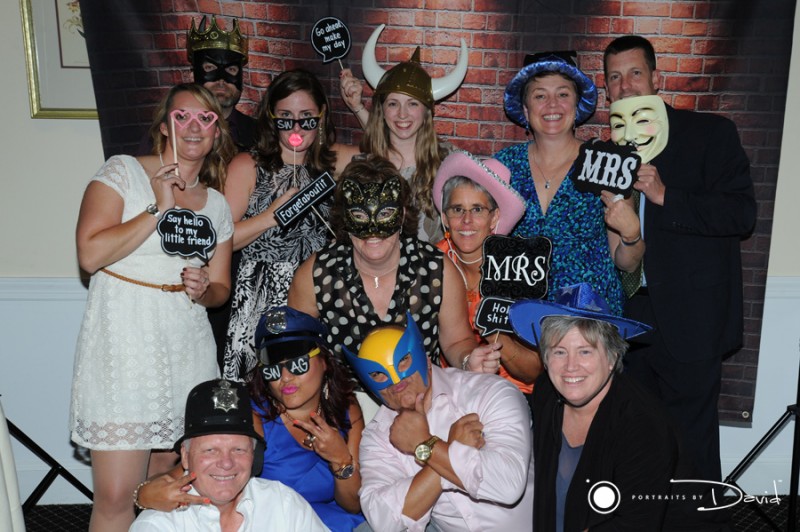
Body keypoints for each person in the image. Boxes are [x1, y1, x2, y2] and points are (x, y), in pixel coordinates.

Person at [70, 83, 235, 532]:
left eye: (206, 118)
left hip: (186, 349)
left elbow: (221, 288)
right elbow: (90, 254)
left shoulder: (217, 204)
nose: (194, 127)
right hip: (125, 346)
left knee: (168, 490)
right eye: (183, 117)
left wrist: (205, 290)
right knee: (117, 496)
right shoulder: (123, 172)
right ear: (164, 126)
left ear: (217, 132)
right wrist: (157, 208)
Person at [603, 35, 757, 483]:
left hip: (693, 319)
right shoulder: (607, 151)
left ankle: (700, 516)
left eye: (635, 73)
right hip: (630, 318)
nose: (626, 85)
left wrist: (665, 195)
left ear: (656, 77)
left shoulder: (709, 134)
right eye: (615, 77)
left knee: (692, 447)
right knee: (637, 442)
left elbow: (741, 214)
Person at [136, 307, 366, 531]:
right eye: (272, 369)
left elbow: (353, 505)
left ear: (324, 361)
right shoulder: (253, 418)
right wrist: (143, 495)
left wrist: (340, 459)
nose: (285, 377)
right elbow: (186, 474)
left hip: (336, 524)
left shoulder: (345, 409)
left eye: (298, 364)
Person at [288, 154, 502, 375]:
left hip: (419, 391)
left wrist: (468, 361)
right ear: (345, 218)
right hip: (346, 393)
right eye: (359, 215)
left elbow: (456, 341)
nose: (373, 230)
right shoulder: (317, 274)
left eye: (385, 214)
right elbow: (295, 347)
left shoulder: (436, 268)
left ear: (401, 215)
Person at [222, 69, 359, 381]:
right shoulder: (248, 166)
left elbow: (392, 158)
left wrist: (358, 107)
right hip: (261, 298)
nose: (296, 128)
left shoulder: (334, 163)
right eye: (285, 118)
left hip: (319, 294)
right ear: (272, 118)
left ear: (321, 117)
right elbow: (221, 240)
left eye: (306, 118)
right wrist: (269, 217)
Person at [509, 282, 680, 531]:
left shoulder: (644, 425)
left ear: (612, 357)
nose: (570, 367)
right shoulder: (547, 392)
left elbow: (635, 524)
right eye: (559, 352)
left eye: (585, 352)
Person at [344, 316, 534, 531]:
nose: (396, 380)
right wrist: (445, 450)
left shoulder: (488, 392)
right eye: (377, 373)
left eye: (403, 360)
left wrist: (424, 446)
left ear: (425, 359)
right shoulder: (377, 436)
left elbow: (507, 486)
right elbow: (384, 520)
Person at [494, 51, 644, 316]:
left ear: (577, 106)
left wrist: (632, 235)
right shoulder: (502, 167)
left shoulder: (605, 163)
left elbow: (627, 264)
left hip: (588, 318)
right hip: (521, 315)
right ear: (526, 110)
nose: (552, 105)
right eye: (540, 96)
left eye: (563, 94)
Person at [129, 378, 327, 531]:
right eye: (210, 450)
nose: (226, 463)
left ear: (253, 454)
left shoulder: (283, 505)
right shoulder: (158, 525)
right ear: (186, 456)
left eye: (238, 449)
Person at [339, 24, 468, 242]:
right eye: (393, 104)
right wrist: (357, 107)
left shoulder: (449, 160)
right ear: (382, 110)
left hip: (434, 263)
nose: (402, 114)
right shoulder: (364, 164)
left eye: (412, 104)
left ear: (427, 112)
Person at [431, 150, 542, 392]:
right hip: (454, 384)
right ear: (445, 218)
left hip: (512, 390)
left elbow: (533, 370)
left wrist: (496, 334)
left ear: (494, 218)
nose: (466, 220)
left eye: (478, 209)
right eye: (457, 209)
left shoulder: (520, 266)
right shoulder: (433, 262)